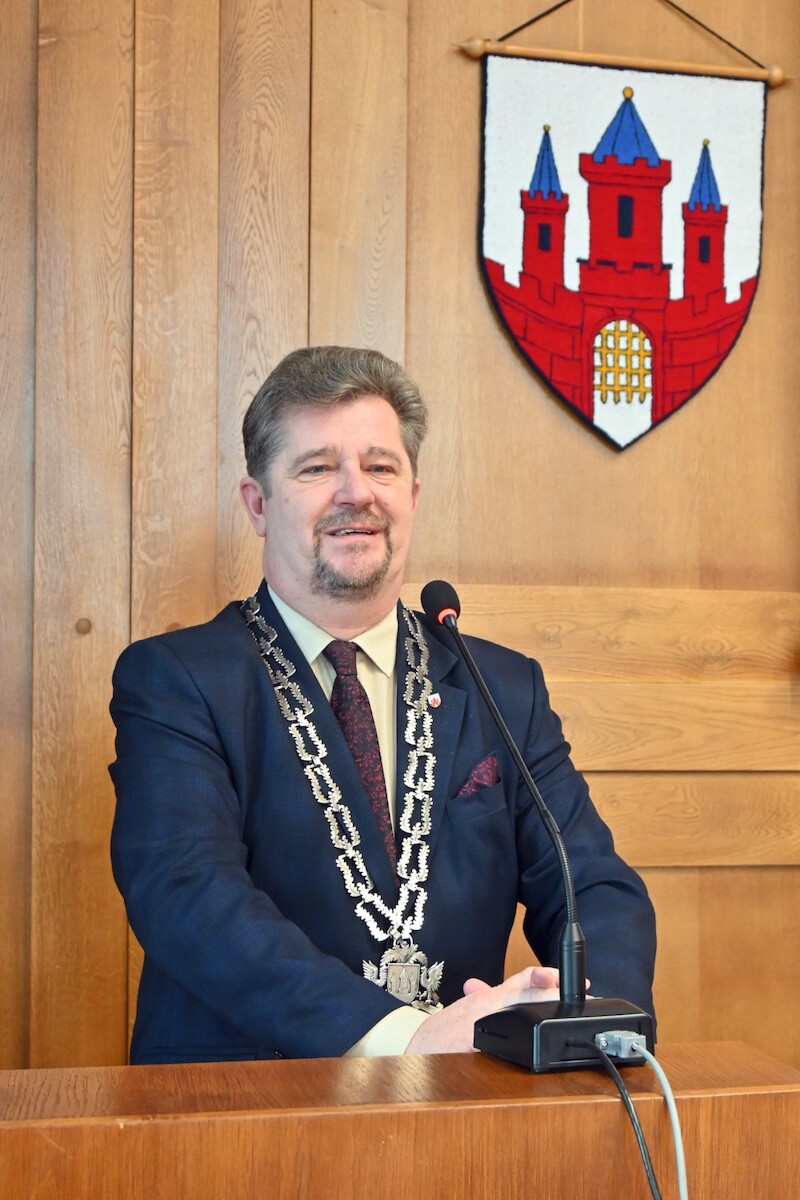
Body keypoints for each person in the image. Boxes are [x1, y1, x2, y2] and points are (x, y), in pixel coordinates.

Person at [110, 345, 656, 1063]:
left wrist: (588, 1021)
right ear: (258, 504)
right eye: (316, 468)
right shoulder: (175, 679)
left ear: (412, 496)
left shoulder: (502, 686)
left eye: (380, 467)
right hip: (243, 1102)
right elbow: (187, 894)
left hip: (461, 1102)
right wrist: (406, 1037)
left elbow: (594, 885)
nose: (355, 492)